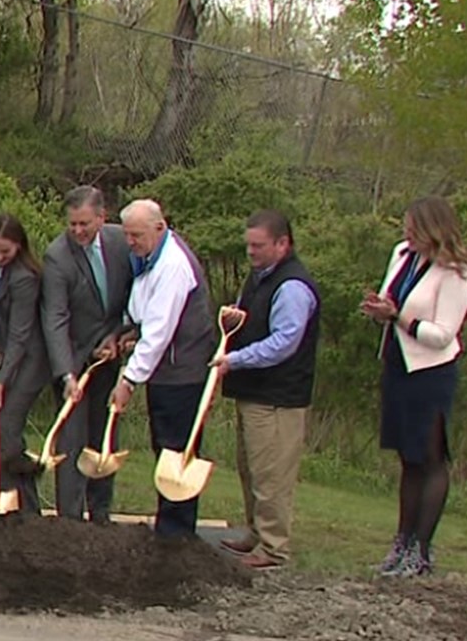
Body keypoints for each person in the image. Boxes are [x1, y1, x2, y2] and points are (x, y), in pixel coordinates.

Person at [361, 196, 467, 578]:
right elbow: (394, 299)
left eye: (413, 227)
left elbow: (443, 334)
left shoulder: (454, 273)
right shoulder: (402, 255)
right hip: (398, 364)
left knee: (429, 458)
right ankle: (401, 541)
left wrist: (401, 319)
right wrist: (382, 310)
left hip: (430, 371)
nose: (406, 233)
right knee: (407, 457)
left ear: (432, 230)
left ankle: (421, 549)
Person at [214, 209, 321, 569]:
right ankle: (256, 532)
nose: (251, 252)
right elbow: (258, 321)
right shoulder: (260, 277)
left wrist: (236, 359)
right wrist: (236, 319)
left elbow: (284, 342)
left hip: (278, 398)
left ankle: (274, 547)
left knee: (271, 473)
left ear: (282, 243)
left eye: (258, 246)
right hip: (254, 392)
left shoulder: (292, 286)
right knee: (251, 468)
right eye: (248, 246)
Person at [109, 199, 217, 540]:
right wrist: (130, 332)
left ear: (159, 227)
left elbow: (159, 332)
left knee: (176, 449)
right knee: (163, 446)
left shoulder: (172, 265)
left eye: (136, 235)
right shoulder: (150, 257)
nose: (130, 242)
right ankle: (169, 527)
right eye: (127, 235)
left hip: (182, 372)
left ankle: (177, 532)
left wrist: (128, 380)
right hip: (165, 369)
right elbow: (145, 311)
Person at [40, 185, 133, 522]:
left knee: (104, 436)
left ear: (101, 217)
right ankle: (70, 519)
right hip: (74, 358)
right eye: (72, 224)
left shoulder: (122, 242)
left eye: (84, 224)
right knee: (72, 439)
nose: (77, 231)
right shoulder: (57, 256)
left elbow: (133, 297)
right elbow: (55, 318)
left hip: (108, 355)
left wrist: (118, 335)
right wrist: (66, 374)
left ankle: (101, 513)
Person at [0, 214, 52, 514]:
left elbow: (21, 335)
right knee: (2, 431)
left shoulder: (24, 278)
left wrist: (1, 384)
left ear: (19, 247)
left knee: (6, 427)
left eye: (4, 252)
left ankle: (25, 502)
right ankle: (22, 505)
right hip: (9, 355)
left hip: (30, 362)